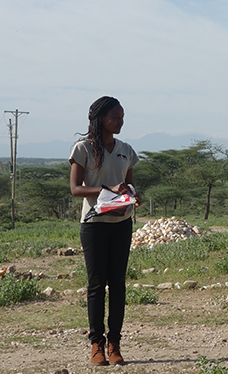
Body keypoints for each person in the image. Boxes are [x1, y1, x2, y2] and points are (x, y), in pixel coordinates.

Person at [69, 96, 140, 366]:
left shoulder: (126, 149)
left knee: (118, 285)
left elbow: (129, 185)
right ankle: (96, 344)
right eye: (115, 117)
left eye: (122, 117)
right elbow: (76, 189)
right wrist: (106, 190)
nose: (120, 121)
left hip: (121, 224)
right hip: (94, 225)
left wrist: (132, 196)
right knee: (97, 286)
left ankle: (115, 344)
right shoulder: (83, 149)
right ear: (100, 119)